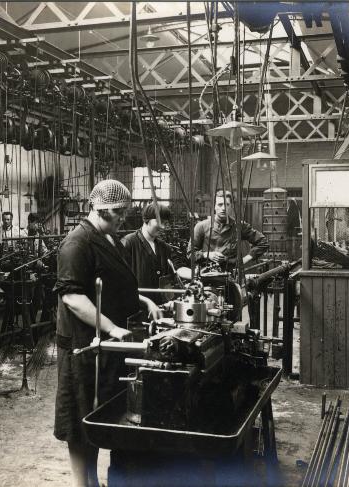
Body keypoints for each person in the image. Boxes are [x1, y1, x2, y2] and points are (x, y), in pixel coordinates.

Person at [53, 179, 161, 487]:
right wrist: (112, 327)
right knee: (79, 421)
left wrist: (144, 299)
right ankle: (81, 484)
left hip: (105, 346)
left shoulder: (109, 237)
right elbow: (72, 296)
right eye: (120, 213)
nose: (124, 219)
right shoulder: (78, 242)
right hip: (83, 346)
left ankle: (91, 479)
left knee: (99, 417)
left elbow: (113, 282)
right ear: (102, 209)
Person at [187, 189, 268, 271]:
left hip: (231, 275)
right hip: (206, 275)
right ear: (214, 206)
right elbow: (190, 254)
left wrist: (245, 260)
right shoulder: (201, 226)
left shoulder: (239, 226)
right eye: (220, 204)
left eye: (227, 204)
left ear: (231, 206)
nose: (223, 208)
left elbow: (263, 242)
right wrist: (206, 255)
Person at [121, 203, 175, 304]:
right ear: (147, 219)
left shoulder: (164, 247)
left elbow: (170, 277)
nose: (163, 227)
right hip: (137, 308)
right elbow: (119, 281)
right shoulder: (129, 243)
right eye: (160, 222)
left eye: (165, 223)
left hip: (160, 308)